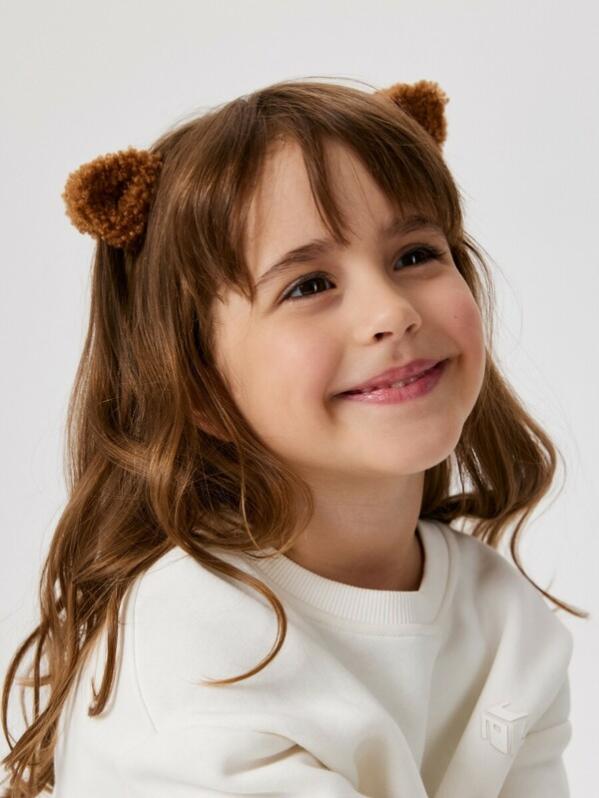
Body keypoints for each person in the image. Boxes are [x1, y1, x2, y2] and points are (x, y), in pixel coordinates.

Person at [1, 77, 588, 797]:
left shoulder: (501, 616)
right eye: (308, 285)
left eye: (414, 255)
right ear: (198, 385)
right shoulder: (197, 647)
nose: (391, 312)